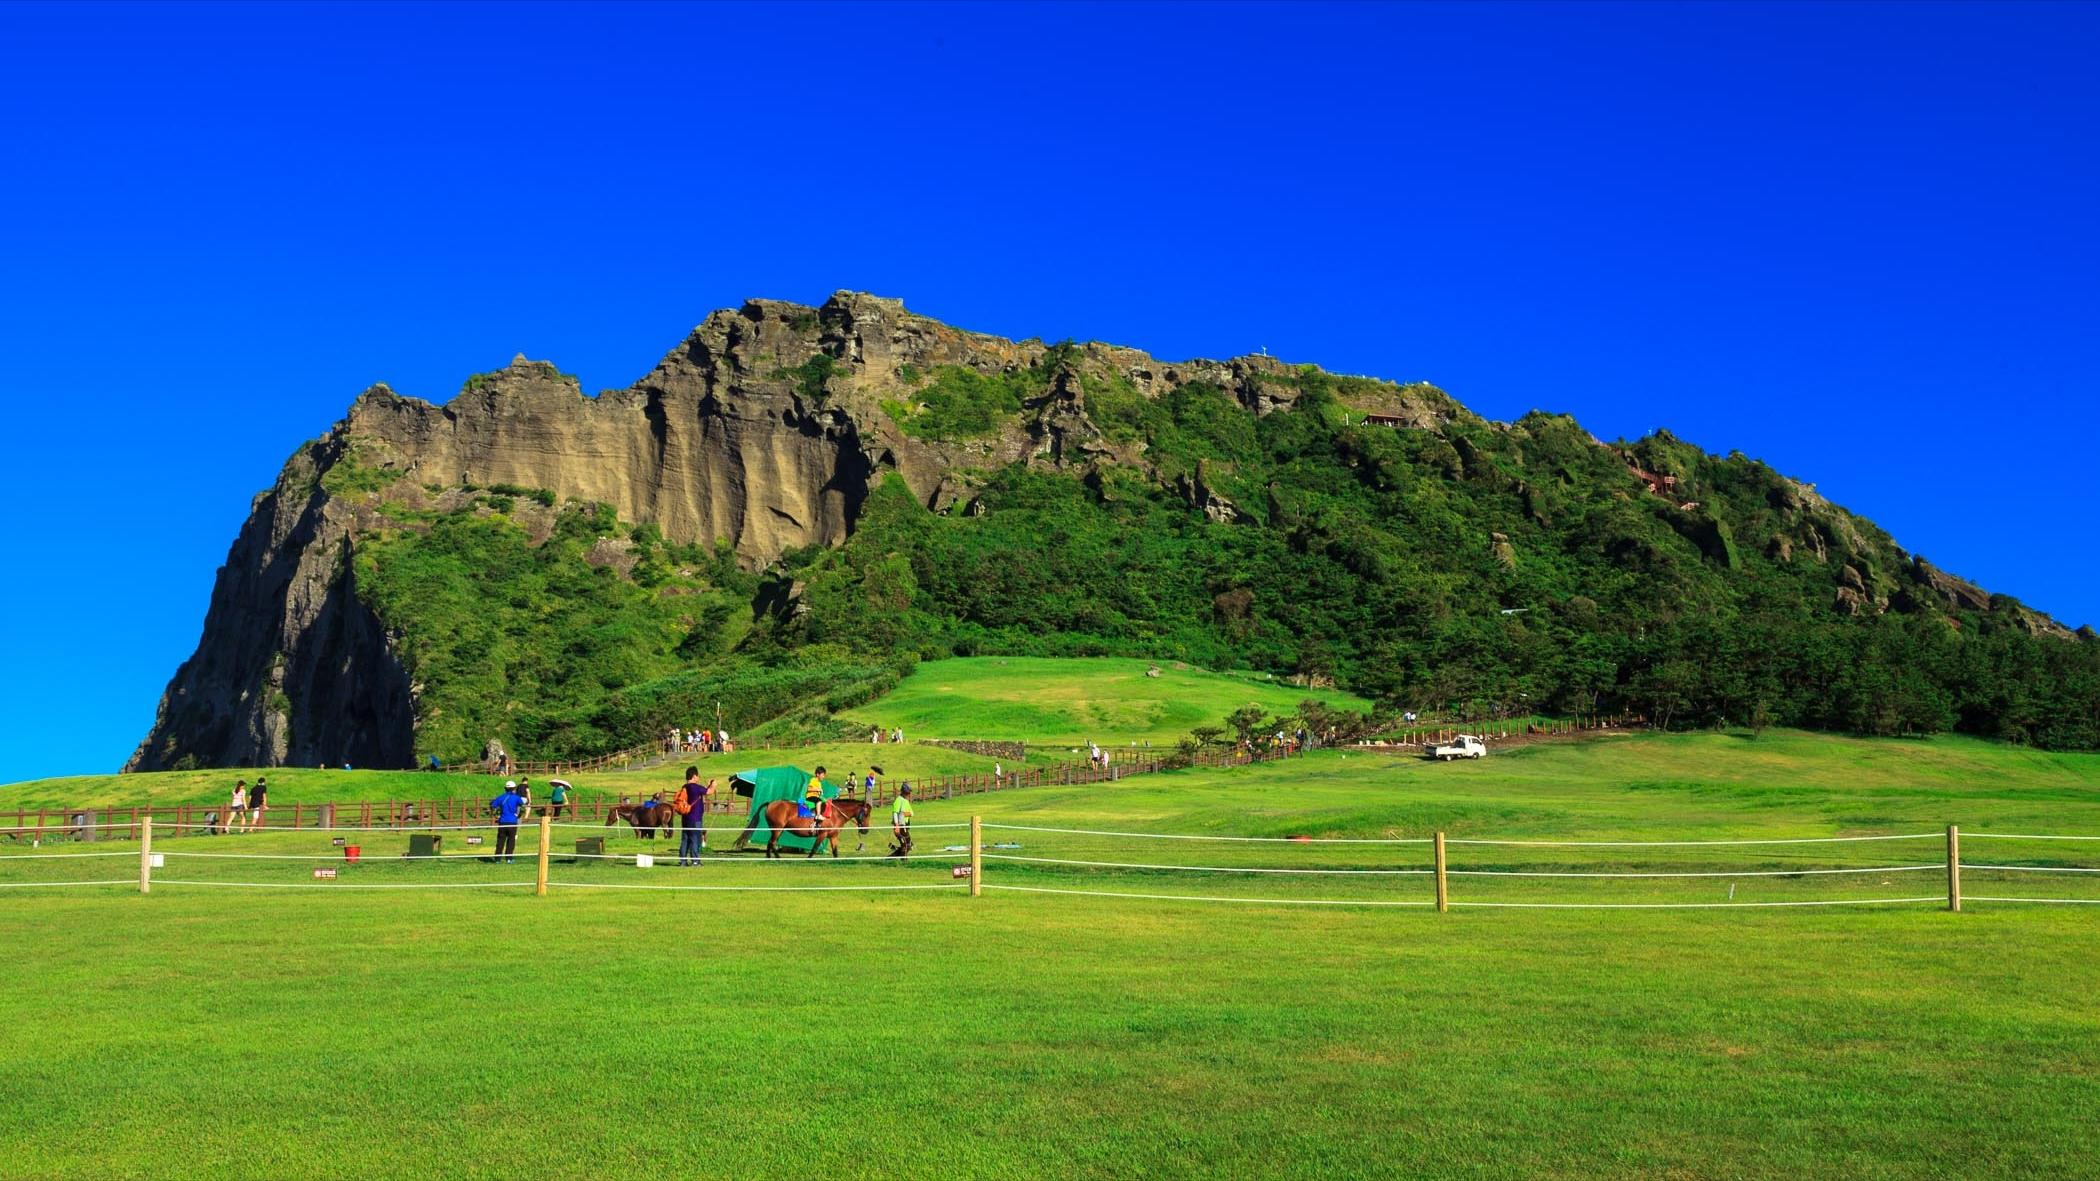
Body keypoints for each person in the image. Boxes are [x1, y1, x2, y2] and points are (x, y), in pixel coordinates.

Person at [673, 767, 709, 867]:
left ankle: (683, 861)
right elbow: (709, 791)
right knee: (695, 839)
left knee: (685, 839)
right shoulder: (695, 787)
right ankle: (695, 861)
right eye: (698, 776)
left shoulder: (684, 787)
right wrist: (713, 785)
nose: (698, 778)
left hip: (685, 817)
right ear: (694, 776)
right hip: (695, 818)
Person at [490, 781, 525, 863]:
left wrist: (496, 815)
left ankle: (497, 859)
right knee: (511, 840)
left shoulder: (501, 797)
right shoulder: (517, 797)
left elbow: (492, 806)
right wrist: (518, 815)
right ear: (514, 789)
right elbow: (523, 807)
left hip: (502, 821)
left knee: (500, 840)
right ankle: (509, 858)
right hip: (512, 821)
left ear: (505, 788)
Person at [889, 784, 914, 857]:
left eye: (909, 793)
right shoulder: (898, 800)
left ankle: (889, 859)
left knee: (907, 845)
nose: (908, 794)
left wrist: (905, 814)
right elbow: (895, 813)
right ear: (903, 792)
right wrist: (896, 826)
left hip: (904, 825)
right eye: (907, 793)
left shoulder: (904, 800)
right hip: (900, 825)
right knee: (906, 844)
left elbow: (911, 813)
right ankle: (902, 861)